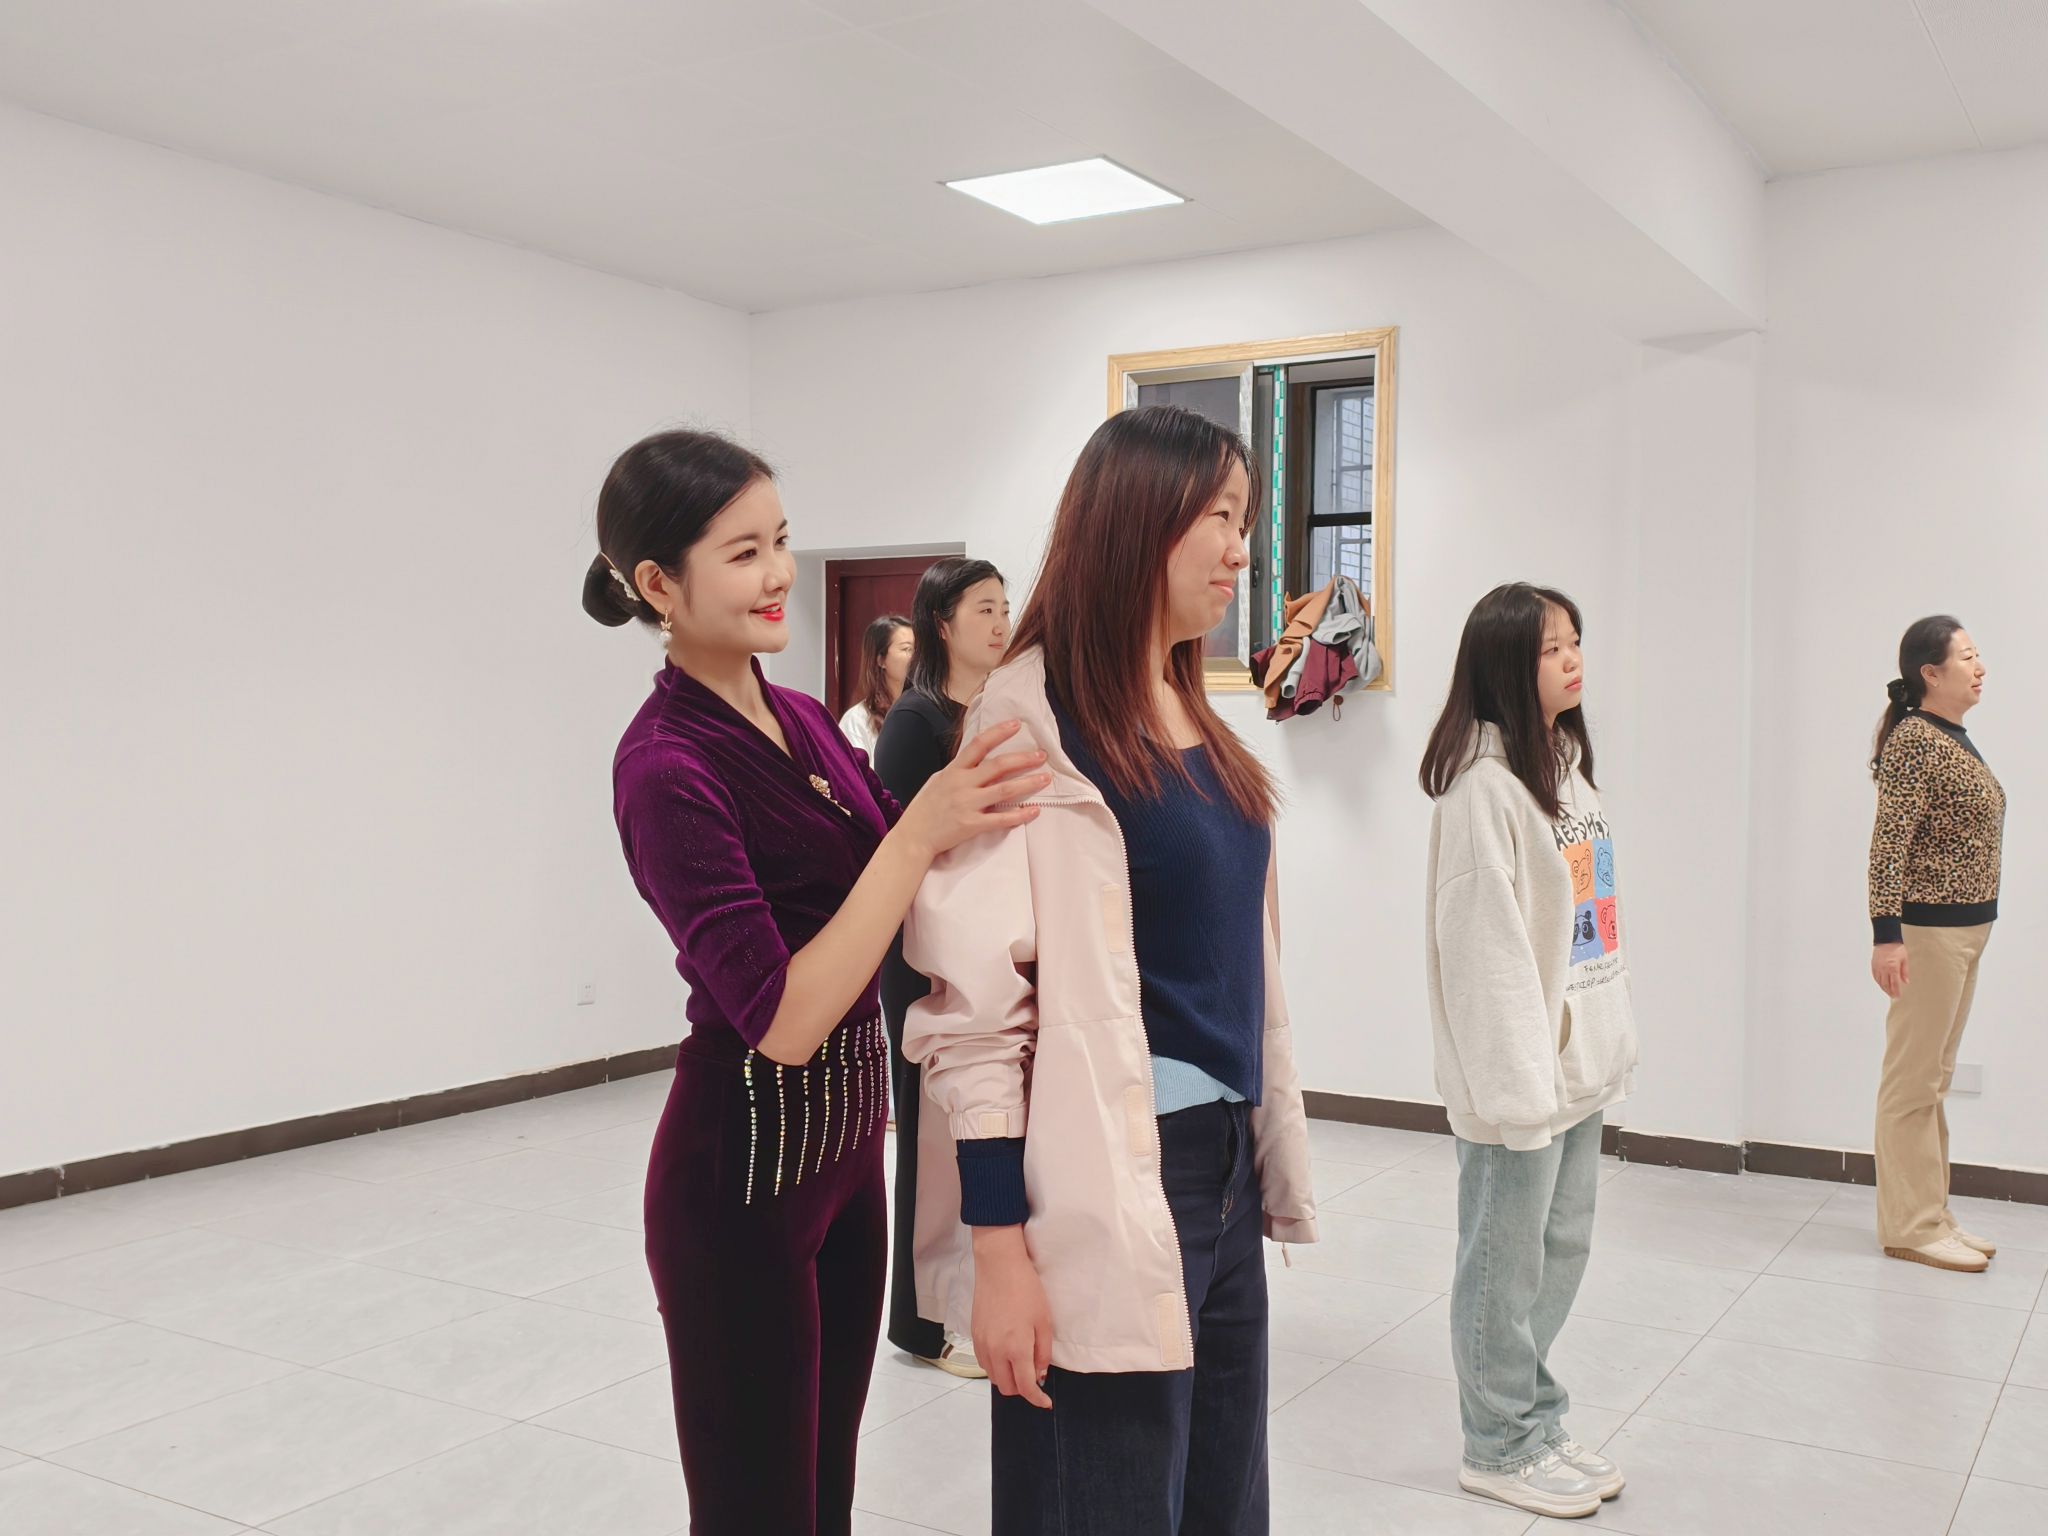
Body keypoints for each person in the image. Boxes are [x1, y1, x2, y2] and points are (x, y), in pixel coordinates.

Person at [581, 428, 1049, 1535]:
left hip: (845, 1163)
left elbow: (904, 883)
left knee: (823, 1497)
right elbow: (784, 1018)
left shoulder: (793, 715)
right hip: (740, 1179)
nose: (779, 573)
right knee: (759, 1511)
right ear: (659, 584)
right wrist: (919, 830)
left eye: (782, 541)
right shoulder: (665, 766)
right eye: (743, 552)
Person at [901, 405, 1318, 1535]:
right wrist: (1000, 1249)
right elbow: (976, 1014)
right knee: (1104, 1496)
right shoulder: (1026, 718)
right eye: (1220, 516)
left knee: (1222, 1499)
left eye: (1245, 521)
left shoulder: (1191, 706)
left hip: (1220, 1164)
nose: (1241, 551)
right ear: (1138, 520)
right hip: (1104, 1168)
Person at [1418, 582, 1639, 1521]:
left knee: (1558, 1253)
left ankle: (1535, 1418)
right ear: (1507, 664)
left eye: (1575, 639)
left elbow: (1591, 925)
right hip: (1523, 1084)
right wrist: (1518, 1092)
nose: (1572, 658)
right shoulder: (1483, 794)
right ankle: (1496, 1444)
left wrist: (1607, 1038)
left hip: (1576, 1069)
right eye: (1551, 647)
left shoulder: (1566, 771)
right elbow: (1487, 957)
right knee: (1501, 1267)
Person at [872, 557, 1009, 1377]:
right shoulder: (916, 722)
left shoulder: (998, 708)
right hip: (925, 953)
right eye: (984, 609)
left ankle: (977, 1302)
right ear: (942, 624)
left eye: (1004, 607)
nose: (1001, 622)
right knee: (931, 1139)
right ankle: (929, 1323)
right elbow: (898, 852)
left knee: (983, 1130)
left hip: (988, 944)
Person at [1867, 617, 2004, 1273]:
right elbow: (1888, 845)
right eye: (1967, 657)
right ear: (1931, 673)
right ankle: (1910, 1227)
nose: (1980, 668)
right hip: (1928, 933)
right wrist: (1886, 937)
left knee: (1935, 1078)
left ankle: (1933, 1214)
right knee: (1912, 1081)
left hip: (1965, 929)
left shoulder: (1950, 736)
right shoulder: (1916, 740)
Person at [837, 613, 913, 755]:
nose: (916, 656)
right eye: (907, 649)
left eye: (918, 649)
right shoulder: (857, 720)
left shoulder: (920, 711)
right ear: (881, 660)